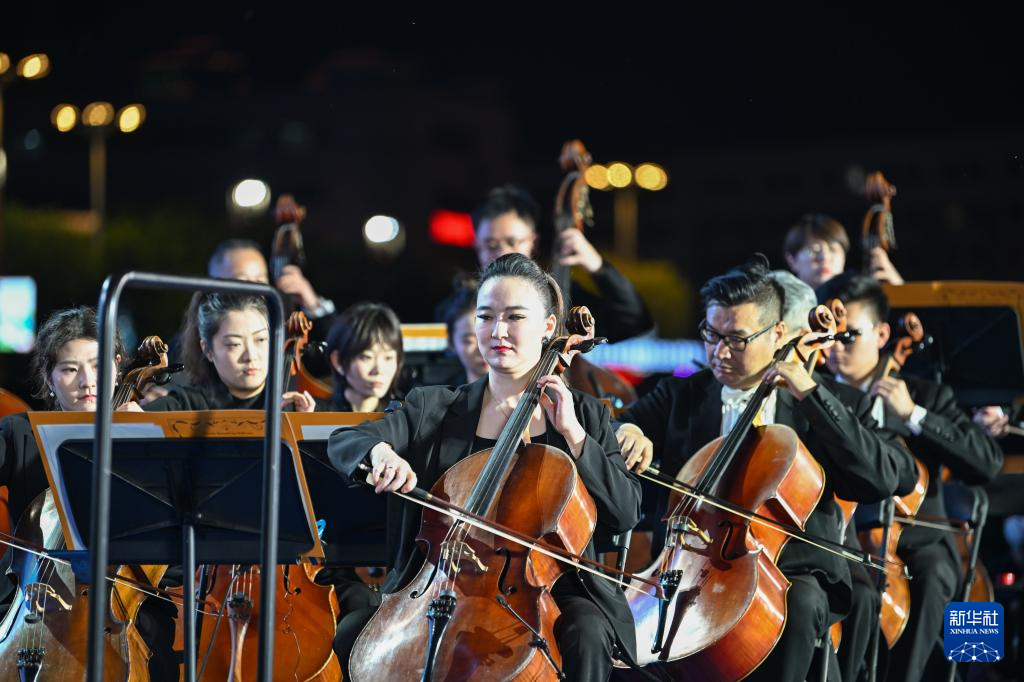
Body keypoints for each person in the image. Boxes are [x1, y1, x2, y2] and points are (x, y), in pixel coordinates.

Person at [328, 253, 641, 681]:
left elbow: (625, 512)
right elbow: (346, 441)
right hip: (440, 587)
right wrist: (379, 453)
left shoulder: (585, 415)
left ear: (548, 326)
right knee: (353, 634)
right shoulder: (434, 407)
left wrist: (573, 434)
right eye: (486, 316)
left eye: (514, 317)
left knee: (586, 631)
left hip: (549, 591)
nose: (497, 331)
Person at [614, 255, 913, 682]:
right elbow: (618, 425)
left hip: (790, 572)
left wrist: (812, 397)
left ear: (777, 335)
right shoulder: (682, 395)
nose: (719, 353)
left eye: (737, 340)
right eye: (711, 335)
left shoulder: (826, 401)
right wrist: (630, 431)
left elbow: (885, 477)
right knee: (621, 639)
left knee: (801, 604)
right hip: (688, 568)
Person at [818, 272, 1003, 681]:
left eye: (848, 337)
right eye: (829, 337)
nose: (833, 348)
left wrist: (914, 416)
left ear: (883, 334)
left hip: (916, 537)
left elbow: (986, 463)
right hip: (838, 532)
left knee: (936, 574)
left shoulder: (925, 395)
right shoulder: (813, 393)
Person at [471, 184, 653, 343]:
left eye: (512, 242)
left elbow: (632, 321)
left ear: (533, 242)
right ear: (477, 245)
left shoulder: (558, 296)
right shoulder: (462, 302)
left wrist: (598, 266)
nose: (502, 253)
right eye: (491, 245)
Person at [138, 292, 315, 412]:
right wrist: (132, 418)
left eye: (261, 340)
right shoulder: (184, 405)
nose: (251, 356)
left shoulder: (296, 407)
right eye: (234, 344)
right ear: (208, 350)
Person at [783, 212, 904, 288]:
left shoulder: (859, 301)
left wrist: (900, 290)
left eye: (833, 250)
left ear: (844, 257)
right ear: (792, 261)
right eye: (813, 250)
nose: (824, 258)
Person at [323, 302, 404, 413]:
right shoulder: (317, 415)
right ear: (338, 361)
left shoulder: (405, 416)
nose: (379, 370)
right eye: (367, 357)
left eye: (388, 358)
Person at [439, 277, 487, 384]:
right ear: (451, 342)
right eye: (469, 341)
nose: (481, 349)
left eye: (489, 336)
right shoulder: (444, 394)